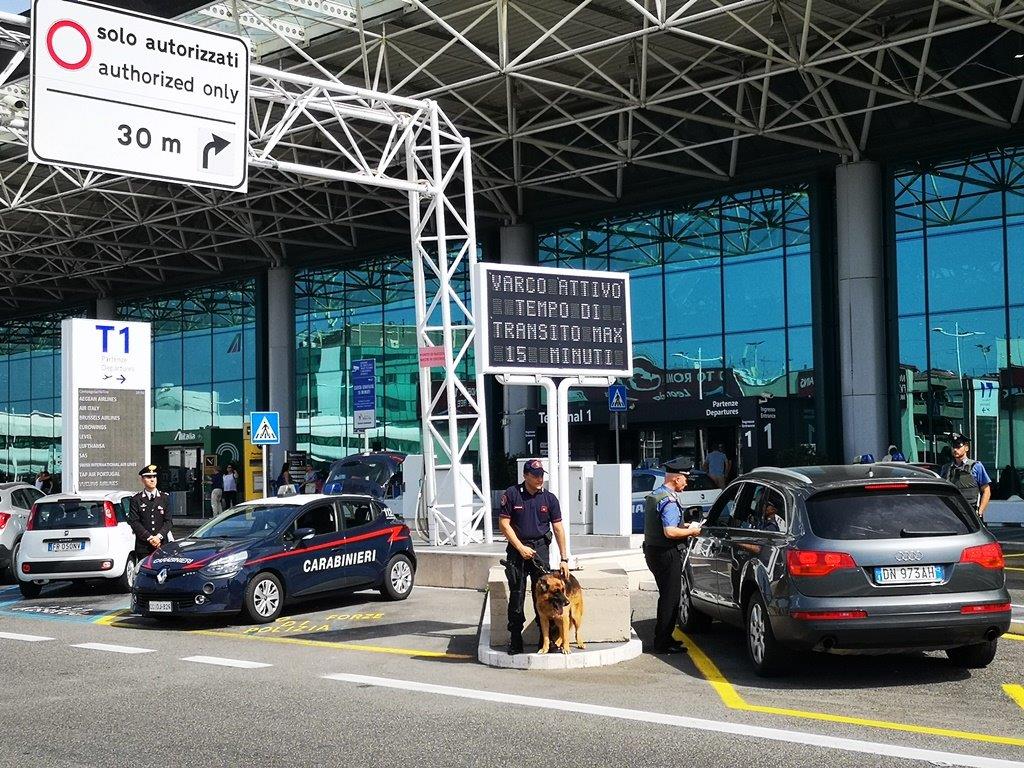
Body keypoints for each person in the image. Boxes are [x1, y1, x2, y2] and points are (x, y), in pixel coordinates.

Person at [498, 459, 570, 655]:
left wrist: (564, 558)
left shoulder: (549, 498)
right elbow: (504, 525)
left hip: (540, 551)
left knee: (546, 597)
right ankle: (515, 639)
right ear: (525, 475)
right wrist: (520, 548)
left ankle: (545, 641)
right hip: (517, 550)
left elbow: (558, 528)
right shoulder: (512, 494)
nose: (540, 479)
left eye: (541, 475)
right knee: (517, 595)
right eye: (535, 475)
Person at [643, 458, 703, 655]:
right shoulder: (668, 500)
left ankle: (665, 637)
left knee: (667, 596)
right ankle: (662, 642)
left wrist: (684, 526)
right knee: (671, 598)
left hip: (654, 551)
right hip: (666, 553)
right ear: (677, 478)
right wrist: (692, 532)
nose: (687, 483)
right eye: (686, 479)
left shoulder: (658, 495)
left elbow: (665, 526)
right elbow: (669, 532)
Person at [940, 433, 992, 519]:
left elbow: (986, 491)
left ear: (966, 448)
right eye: (953, 447)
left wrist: (980, 512)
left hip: (971, 513)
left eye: (958, 446)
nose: (955, 449)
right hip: (951, 514)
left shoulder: (976, 466)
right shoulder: (946, 468)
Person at [127, 464, 172, 558]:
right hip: (144, 546)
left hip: (162, 543)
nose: (152, 480)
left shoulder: (164, 498)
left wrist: (158, 537)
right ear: (142, 479)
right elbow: (134, 521)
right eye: (148, 477)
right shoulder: (136, 499)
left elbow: (168, 521)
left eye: (154, 477)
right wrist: (150, 538)